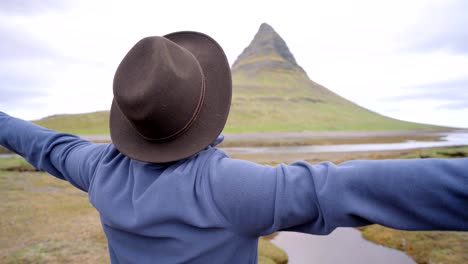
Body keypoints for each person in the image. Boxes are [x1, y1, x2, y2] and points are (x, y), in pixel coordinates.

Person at [0, 31, 467, 264]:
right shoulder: (225, 187)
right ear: (202, 113)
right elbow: (347, 188)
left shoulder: (100, 169)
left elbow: (48, 146)